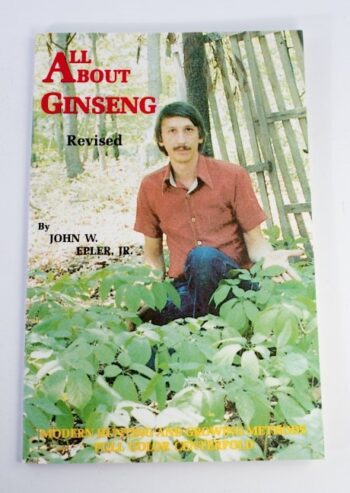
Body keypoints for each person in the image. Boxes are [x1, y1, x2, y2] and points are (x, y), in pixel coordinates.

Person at [134, 101, 302, 325]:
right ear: (161, 140)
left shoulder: (232, 176)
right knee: (143, 317)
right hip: (185, 287)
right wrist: (146, 291)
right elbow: (153, 256)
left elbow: (255, 241)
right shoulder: (150, 186)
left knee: (202, 256)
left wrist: (269, 258)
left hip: (234, 284)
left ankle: (198, 325)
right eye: (172, 132)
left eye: (188, 130)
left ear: (200, 136)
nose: (181, 140)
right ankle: (207, 320)